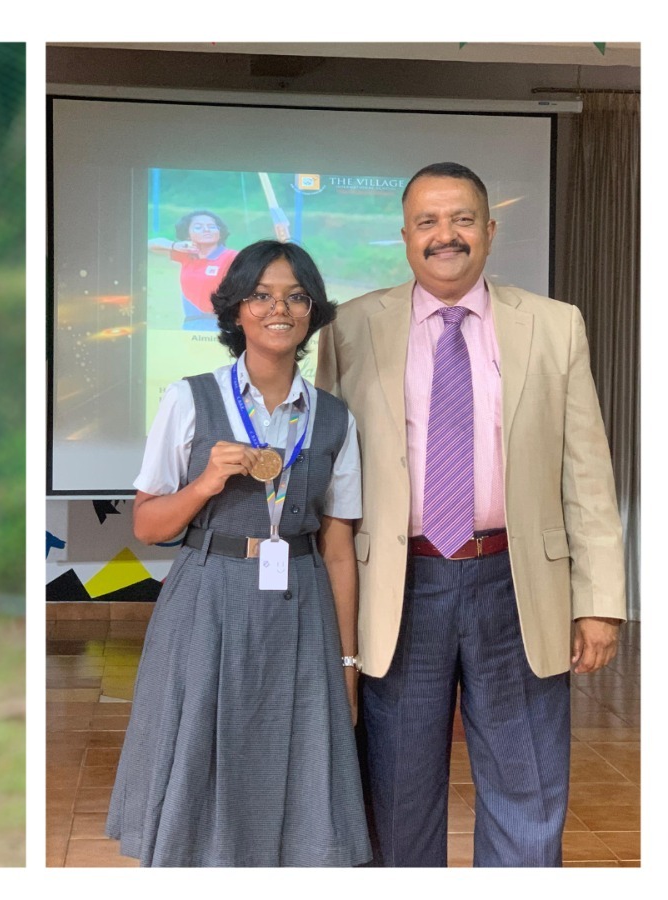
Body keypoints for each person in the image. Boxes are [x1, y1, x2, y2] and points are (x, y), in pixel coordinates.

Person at [314, 161, 626, 867]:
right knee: (393, 793)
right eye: (427, 222)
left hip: (516, 583)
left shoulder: (554, 325)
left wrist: (600, 601)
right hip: (400, 588)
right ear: (404, 235)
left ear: (489, 230)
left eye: (460, 220)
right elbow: (329, 481)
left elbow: (587, 472)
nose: (444, 236)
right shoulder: (353, 328)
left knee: (530, 786)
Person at [105, 240, 370, 866]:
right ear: (235, 311)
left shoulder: (333, 418)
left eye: (296, 297)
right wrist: (204, 485)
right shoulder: (188, 398)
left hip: (301, 599)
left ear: (311, 313)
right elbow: (146, 524)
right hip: (208, 594)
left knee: (297, 760)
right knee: (200, 755)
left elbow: (338, 549)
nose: (280, 308)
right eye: (262, 295)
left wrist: (348, 659)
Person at [148, 210, 238, 331]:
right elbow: (150, 245)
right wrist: (175, 245)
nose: (206, 230)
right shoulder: (187, 256)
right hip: (191, 325)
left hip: (222, 325)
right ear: (188, 235)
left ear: (220, 233)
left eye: (212, 226)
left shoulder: (232, 257)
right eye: (198, 227)